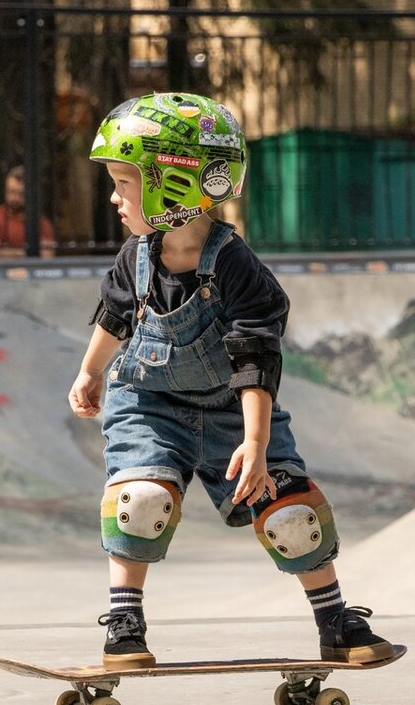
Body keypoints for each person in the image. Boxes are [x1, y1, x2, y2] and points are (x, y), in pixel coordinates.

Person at [68, 92, 394, 669]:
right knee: (139, 501)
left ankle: (335, 621)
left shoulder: (235, 265)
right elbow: (115, 315)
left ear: (174, 184)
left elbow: (254, 360)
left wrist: (257, 444)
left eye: (125, 181)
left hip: (231, 411)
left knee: (291, 514)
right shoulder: (134, 256)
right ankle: (125, 622)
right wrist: (90, 372)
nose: (115, 197)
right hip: (148, 402)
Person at [0, 165, 56, 257]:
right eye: (11, 192)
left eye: (21, 194)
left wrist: (9, 253)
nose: (14, 198)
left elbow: (47, 256)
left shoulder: (42, 223)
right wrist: (30, 253)